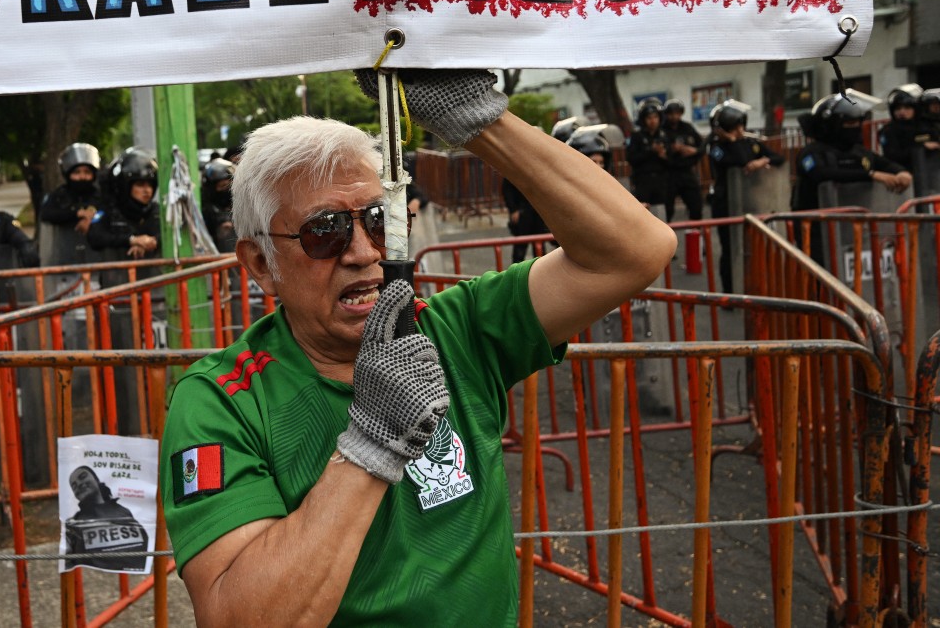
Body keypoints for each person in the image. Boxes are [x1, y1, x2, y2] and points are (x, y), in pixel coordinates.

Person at [160, 69, 676, 625]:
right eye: (324, 231)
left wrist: (478, 119)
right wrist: (369, 447)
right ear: (262, 264)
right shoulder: (221, 402)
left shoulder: (455, 328)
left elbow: (635, 251)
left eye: (379, 220)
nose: (364, 252)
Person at [793, 90, 912, 263]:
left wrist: (902, 172)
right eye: (849, 123)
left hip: (853, 230)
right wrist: (871, 175)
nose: (854, 127)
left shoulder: (858, 151)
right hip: (816, 231)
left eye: (857, 122)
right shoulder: (811, 153)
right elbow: (821, 173)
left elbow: (885, 163)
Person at [705, 100, 785, 293]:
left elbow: (779, 158)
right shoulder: (716, 147)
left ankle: (753, 287)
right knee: (730, 249)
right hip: (726, 204)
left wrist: (762, 160)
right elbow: (739, 161)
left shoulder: (751, 143)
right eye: (735, 127)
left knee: (752, 248)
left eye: (741, 126)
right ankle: (730, 292)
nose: (740, 130)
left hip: (750, 201)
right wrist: (732, 141)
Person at [63, 465, 149, 573]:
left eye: (83, 477)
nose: (79, 484)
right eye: (74, 486)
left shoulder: (123, 511)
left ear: (96, 479)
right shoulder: (73, 524)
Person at [87, 148, 162, 266]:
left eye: (150, 185)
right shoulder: (109, 210)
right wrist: (131, 240)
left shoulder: (156, 211)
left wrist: (152, 242)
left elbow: (171, 233)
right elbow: (95, 236)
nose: (147, 190)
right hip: (116, 275)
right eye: (140, 184)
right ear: (125, 186)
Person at [39, 143, 103, 236]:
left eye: (87, 172)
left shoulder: (101, 195)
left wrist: (91, 221)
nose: (82, 177)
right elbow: (46, 214)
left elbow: (107, 212)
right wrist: (76, 213)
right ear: (68, 174)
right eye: (77, 172)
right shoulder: (60, 195)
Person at [661, 99, 704, 222]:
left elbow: (701, 146)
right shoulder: (662, 129)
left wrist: (693, 151)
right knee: (667, 209)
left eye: (677, 113)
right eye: (671, 113)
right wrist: (672, 149)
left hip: (687, 171)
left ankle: (695, 232)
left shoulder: (687, 127)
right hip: (668, 173)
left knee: (696, 206)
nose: (674, 116)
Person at [878, 84, 939, 170]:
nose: (902, 112)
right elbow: (892, 155)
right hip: (903, 172)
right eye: (898, 108)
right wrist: (922, 148)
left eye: (907, 107)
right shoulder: (889, 130)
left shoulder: (928, 126)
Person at [625, 97, 670, 213]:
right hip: (642, 181)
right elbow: (631, 158)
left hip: (661, 181)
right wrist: (651, 150)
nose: (653, 121)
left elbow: (671, 160)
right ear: (643, 119)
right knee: (643, 212)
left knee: (662, 213)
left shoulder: (664, 135)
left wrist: (663, 156)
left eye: (655, 117)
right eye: (649, 118)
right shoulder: (636, 136)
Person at [200, 157, 238, 253]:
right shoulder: (207, 210)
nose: (227, 190)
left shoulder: (240, 204)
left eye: (230, 186)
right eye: (222, 186)